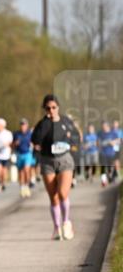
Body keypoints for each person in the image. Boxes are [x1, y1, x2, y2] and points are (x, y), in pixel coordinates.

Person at [32, 95, 81, 241]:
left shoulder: (66, 121)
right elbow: (35, 139)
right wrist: (46, 123)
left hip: (64, 160)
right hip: (47, 161)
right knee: (53, 197)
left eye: (54, 107)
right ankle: (56, 227)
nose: (51, 110)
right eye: (48, 108)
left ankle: (66, 222)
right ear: (45, 109)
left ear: (58, 107)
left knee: (62, 193)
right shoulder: (43, 124)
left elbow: (76, 136)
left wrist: (71, 144)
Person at [13, 118, 36, 197]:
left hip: (28, 154)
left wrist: (33, 144)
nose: (23, 126)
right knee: (21, 172)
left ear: (27, 125)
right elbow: (12, 145)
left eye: (24, 125)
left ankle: (27, 186)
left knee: (26, 170)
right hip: (19, 154)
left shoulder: (30, 133)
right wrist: (15, 143)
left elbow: (35, 142)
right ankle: (22, 188)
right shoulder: (16, 134)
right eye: (22, 125)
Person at [100, 121, 119, 187]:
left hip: (111, 153)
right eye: (103, 127)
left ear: (108, 126)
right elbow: (98, 142)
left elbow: (118, 140)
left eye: (105, 126)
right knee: (103, 167)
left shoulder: (113, 133)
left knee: (110, 168)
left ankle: (111, 177)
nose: (103, 128)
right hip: (103, 153)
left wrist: (113, 142)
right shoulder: (101, 134)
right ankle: (103, 181)